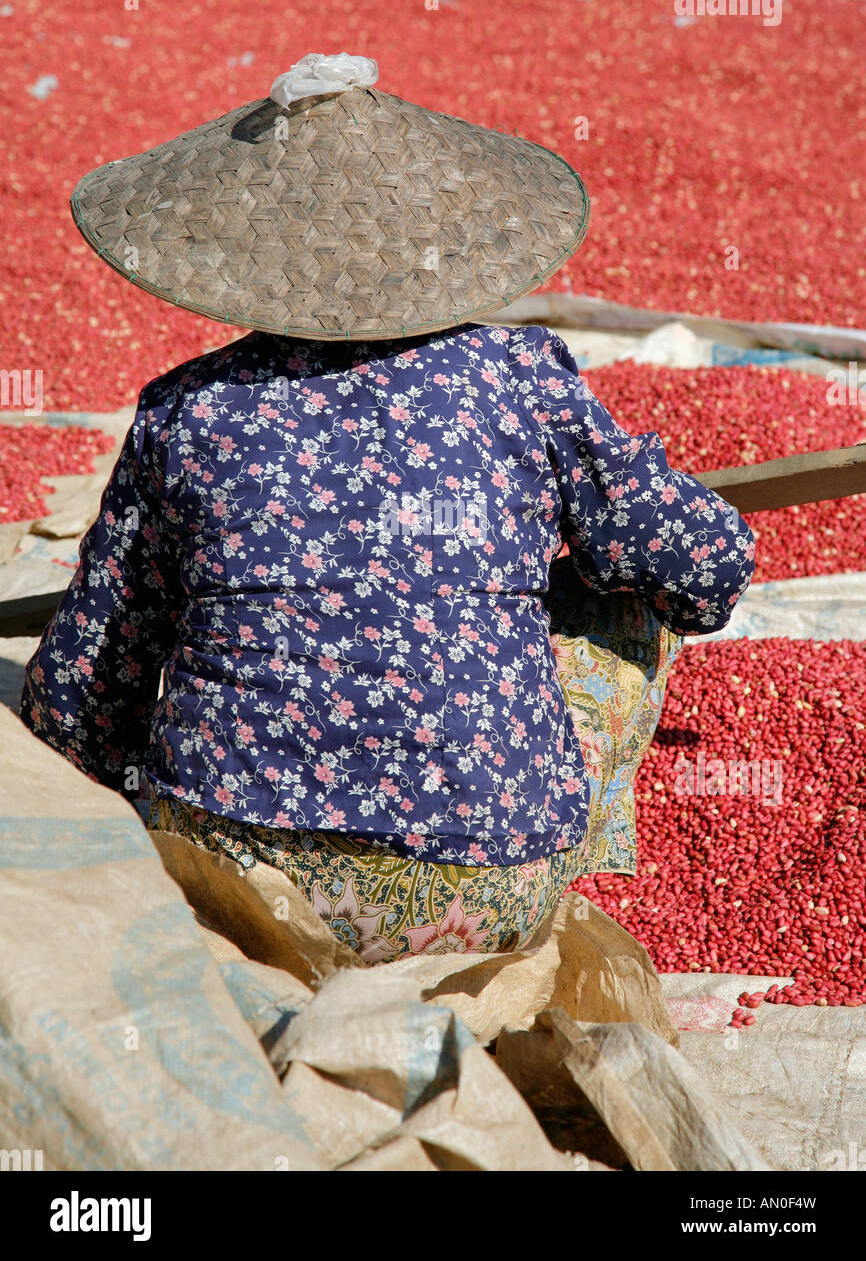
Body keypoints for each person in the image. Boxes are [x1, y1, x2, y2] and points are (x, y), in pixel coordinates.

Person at [19, 54, 755, 962]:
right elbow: (704, 573)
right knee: (630, 584)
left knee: (181, 602)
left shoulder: (186, 406)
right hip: (478, 882)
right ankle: (548, 870)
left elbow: (87, 687)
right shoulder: (517, 376)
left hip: (223, 880)